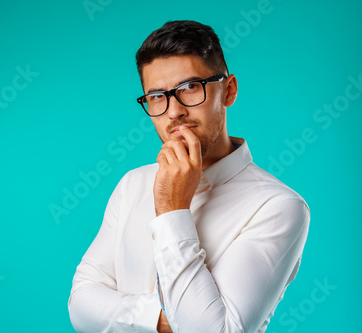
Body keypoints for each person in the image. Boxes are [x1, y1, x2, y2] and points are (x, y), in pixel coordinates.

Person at [68, 20, 310, 333]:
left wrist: (172, 208)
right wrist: (162, 319)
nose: (174, 111)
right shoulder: (133, 184)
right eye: (157, 96)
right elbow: (81, 305)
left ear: (229, 90)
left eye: (190, 88)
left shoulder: (279, 206)